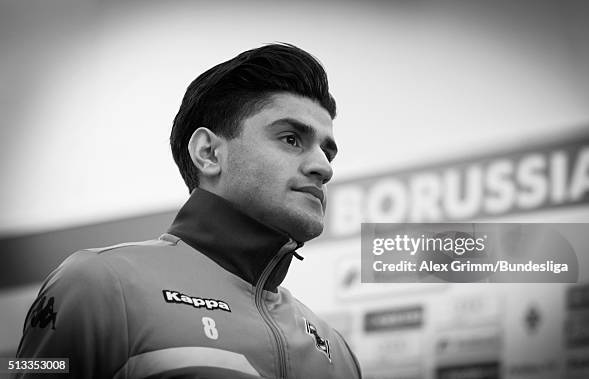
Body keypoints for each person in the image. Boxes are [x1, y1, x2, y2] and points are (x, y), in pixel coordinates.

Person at [16, 43, 362, 379]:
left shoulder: (337, 349)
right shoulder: (99, 283)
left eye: (327, 152)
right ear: (209, 153)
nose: (324, 167)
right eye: (291, 139)